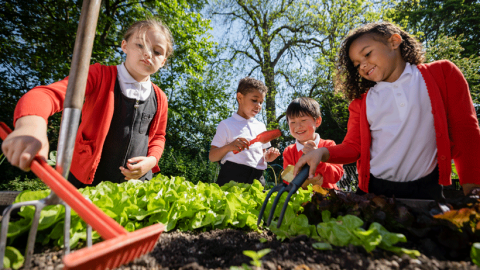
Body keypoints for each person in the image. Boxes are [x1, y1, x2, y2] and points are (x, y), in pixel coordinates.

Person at [293, 21, 480, 199]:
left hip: (429, 187)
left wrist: (473, 191)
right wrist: (321, 153)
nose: (363, 65)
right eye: (357, 64)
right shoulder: (362, 102)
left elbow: (466, 132)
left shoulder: (442, 74)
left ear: (394, 41)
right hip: (375, 190)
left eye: (367, 54)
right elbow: (353, 147)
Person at [1, 19, 173, 188]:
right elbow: (45, 95)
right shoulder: (99, 75)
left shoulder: (160, 98)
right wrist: (30, 125)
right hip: (86, 180)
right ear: (125, 46)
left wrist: (151, 161)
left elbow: (158, 136)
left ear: (163, 61)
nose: (148, 54)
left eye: (157, 52)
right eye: (140, 45)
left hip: (135, 186)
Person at [209, 77, 281, 186]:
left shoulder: (261, 126)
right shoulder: (226, 125)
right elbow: (212, 156)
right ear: (240, 97)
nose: (258, 106)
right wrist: (229, 147)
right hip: (232, 177)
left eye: (261, 102)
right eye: (254, 100)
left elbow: (262, 156)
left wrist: (267, 157)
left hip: (257, 179)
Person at [283, 97, 344, 189]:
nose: (298, 126)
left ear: (317, 121)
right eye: (293, 122)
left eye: (303, 120)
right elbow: (288, 179)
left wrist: (318, 159)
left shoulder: (329, 145)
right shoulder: (289, 151)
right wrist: (305, 184)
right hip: (302, 202)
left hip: (327, 200)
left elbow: (336, 176)